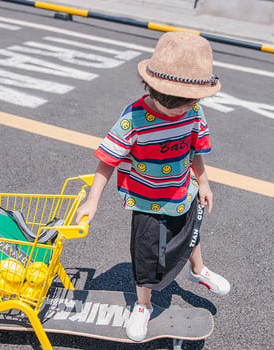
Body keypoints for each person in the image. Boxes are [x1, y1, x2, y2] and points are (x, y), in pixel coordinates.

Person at [75, 31, 230, 342]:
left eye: (186, 105)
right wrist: (92, 201)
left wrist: (204, 183)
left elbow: (195, 150)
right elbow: (108, 159)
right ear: (152, 88)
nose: (177, 113)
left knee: (190, 234)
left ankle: (198, 271)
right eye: (170, 106)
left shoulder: (194, 112)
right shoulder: (133, 118)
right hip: (146, 199)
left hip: (182, 191)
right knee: (147, 257)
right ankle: (143, 305)